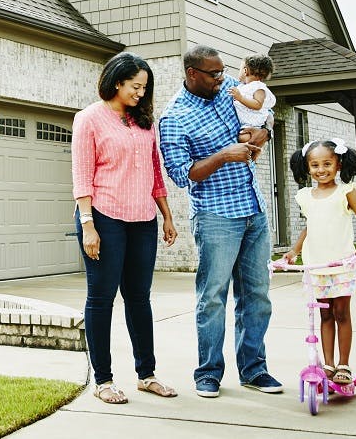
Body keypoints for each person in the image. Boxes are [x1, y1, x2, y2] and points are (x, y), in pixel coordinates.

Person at [157, 45, 282, 398]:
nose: (221, 78)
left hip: (253, 208)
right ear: (192, 74)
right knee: (212, 297)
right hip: (215, 216)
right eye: (213, 74)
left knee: (257, 296)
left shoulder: (229, 92)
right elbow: (183, 175)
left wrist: (265, 134)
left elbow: (266, 113)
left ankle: (254, 371)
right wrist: (225, 154)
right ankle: (208, 372)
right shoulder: (175, 117)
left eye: (223, 71)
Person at [72, 52, 179, 404]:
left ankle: (146, 374)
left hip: (142, 219)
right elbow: (82, 177)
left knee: (139, 298)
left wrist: (166, 214)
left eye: (144, 87)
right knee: (102, 298)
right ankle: (103, 380)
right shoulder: (89, 119)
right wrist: (88, 225)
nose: (140, 93)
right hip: (103, 216)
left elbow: (154, 172)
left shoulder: (144, 122)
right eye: (136, 86)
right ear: (117, 82)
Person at [283, 138, 356, 385]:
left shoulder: (346, 191)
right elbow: (309, 227)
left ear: (339, 163)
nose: (321, 170)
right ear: (307, 167)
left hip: (342, 265)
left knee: (342, 312)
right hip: (317, 267)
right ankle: (328, 365)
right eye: (314, 165)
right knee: (324, 316)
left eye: (326, 164)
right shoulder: (304, 196)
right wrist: (293, 251)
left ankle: (344, 364)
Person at [228, 55, 276, 152]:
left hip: (253, 124)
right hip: (245, 123)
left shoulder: (259, 88)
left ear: (245, 71)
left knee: (242, 138)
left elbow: (258, 105)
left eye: (240, 69)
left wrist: (240, 97)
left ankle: (255, 152)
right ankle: (254, 153)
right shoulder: (243, 87)